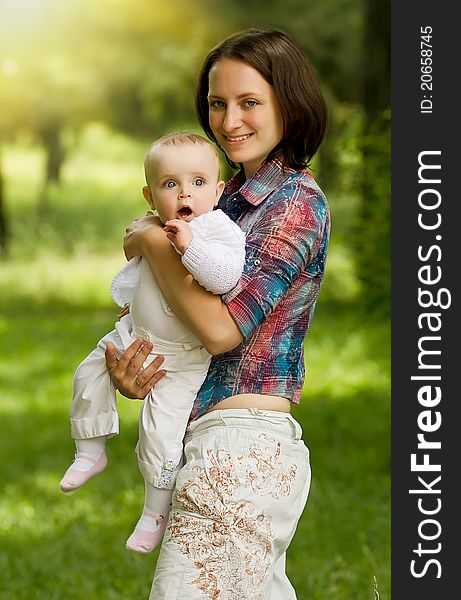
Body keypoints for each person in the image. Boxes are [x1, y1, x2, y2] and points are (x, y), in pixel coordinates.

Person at [106, 27, 330, 599]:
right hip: (205, 437)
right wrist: (143, 372)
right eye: (217, 103)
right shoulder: (220, 198)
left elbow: (223, 329)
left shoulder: (295, 204)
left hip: (244, 446)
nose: (229, 120)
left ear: (289, 103)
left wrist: (155, 244)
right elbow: (181, 322)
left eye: (250, 102)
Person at [59, 132, 246, 554]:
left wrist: (187, 246)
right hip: (136, 335)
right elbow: (137, 279)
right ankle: (89, 448)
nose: (185, 193)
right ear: (150, 194)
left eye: (199, 183)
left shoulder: (218, 231)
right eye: (170, 184)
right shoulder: (156, 227)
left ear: (217, 191)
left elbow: (224, 277)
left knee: (159, 434)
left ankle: (155, 511)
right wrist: (128, 307)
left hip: (180, 359)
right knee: (88, 372)